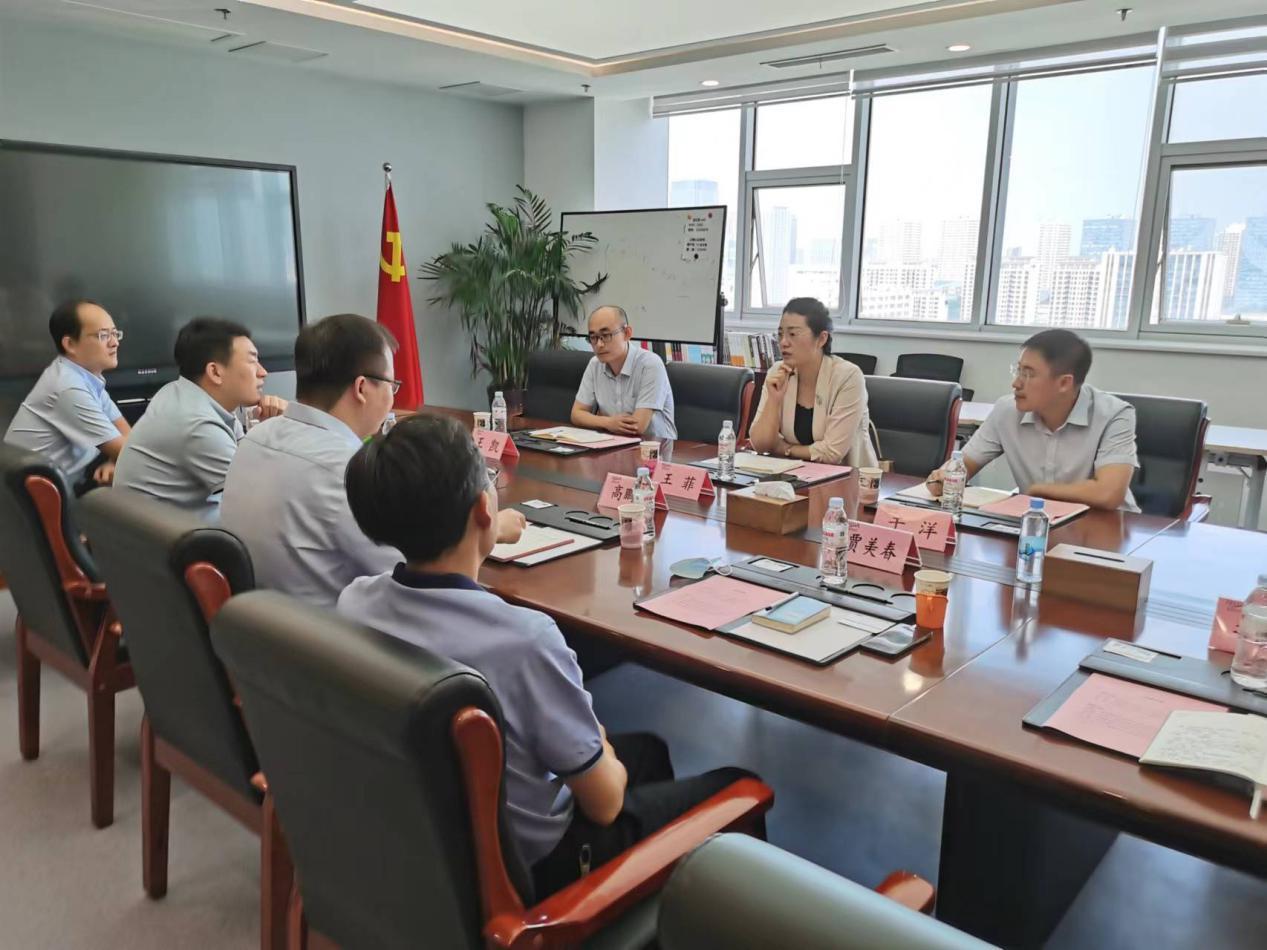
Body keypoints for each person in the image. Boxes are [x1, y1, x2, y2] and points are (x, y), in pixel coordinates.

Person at [338, 413, 759, 896]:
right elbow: (605, 802)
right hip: (534, 872)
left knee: (650, 751)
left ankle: (645, 902)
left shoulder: (356, 602)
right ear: (484, 509)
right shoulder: (524, 640)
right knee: (738, 785)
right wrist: (596, 737)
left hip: (425, 840)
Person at [221, 313, 524, 608]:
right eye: (392, 385)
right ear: (362, 388)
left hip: (258, 629)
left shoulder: (254, 438)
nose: (393, 397)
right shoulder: (346, 468)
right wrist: (489, 527)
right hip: (339, 636)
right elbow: (421, 572)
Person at [926, 329, 1138, 511]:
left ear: (1064, 383)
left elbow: (1109, 493)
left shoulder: (1114, 415)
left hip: (1105, 527)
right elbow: (961, 467)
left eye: (1028, 374)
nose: (1016, 383)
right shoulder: (1006, 411)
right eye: (1018, 371)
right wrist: (943, 478)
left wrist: (1038, 491)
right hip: (1035, 522)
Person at [113, 317, 286, 519]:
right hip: (170, 536)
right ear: (215, 372)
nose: (263, 372)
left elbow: (247, 462)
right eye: (252, 361)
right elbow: (267, 503)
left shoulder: (179, 392)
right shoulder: (197, 424)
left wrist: (270, 430)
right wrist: (285, 429)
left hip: (161, 528)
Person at [4, 299, 131, 493]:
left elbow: (127, 437)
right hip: (33, 499)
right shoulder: (67, 387)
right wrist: (121, 456)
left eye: (115, 333)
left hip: (63, 484)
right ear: (70, 344)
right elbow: (134, 454)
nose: (115, 342)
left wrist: (116, 460)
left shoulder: (85, 377)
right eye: (103, 335)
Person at [748, 297, 878, 466]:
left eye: (793, 334)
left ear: (821, 339)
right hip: (792, 474)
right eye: (780, 334)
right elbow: (759, 444)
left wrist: (786, 449)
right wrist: (774, 400)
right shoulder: (778, 372)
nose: (783, 342)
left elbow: (832, 452)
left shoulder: (848, 377)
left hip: (847, 477)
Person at [571, 305, 677, 439]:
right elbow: (576, 414)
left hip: (656, 447)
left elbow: (637, 426)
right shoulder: (595, 364)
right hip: (613, 443)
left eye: (606, 335)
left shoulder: (650, 364)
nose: (599, 344)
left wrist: (596, 420)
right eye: (593, 337)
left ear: (627, 333)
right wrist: (608, 422)